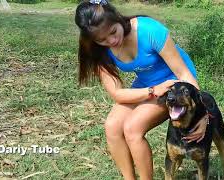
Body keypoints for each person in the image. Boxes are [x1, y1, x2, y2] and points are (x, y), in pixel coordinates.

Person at [75, 0, 208, 179]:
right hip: (149, 85)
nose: (112, 41)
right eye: (102, 40)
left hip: (174, 85)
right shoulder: (98, 50)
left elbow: (184, 73)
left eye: (113, 32)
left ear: (117, 18)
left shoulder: (148, 30)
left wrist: (204, 114)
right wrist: (152, 90)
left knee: (132, 128)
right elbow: (117, 94)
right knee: (112, 126)